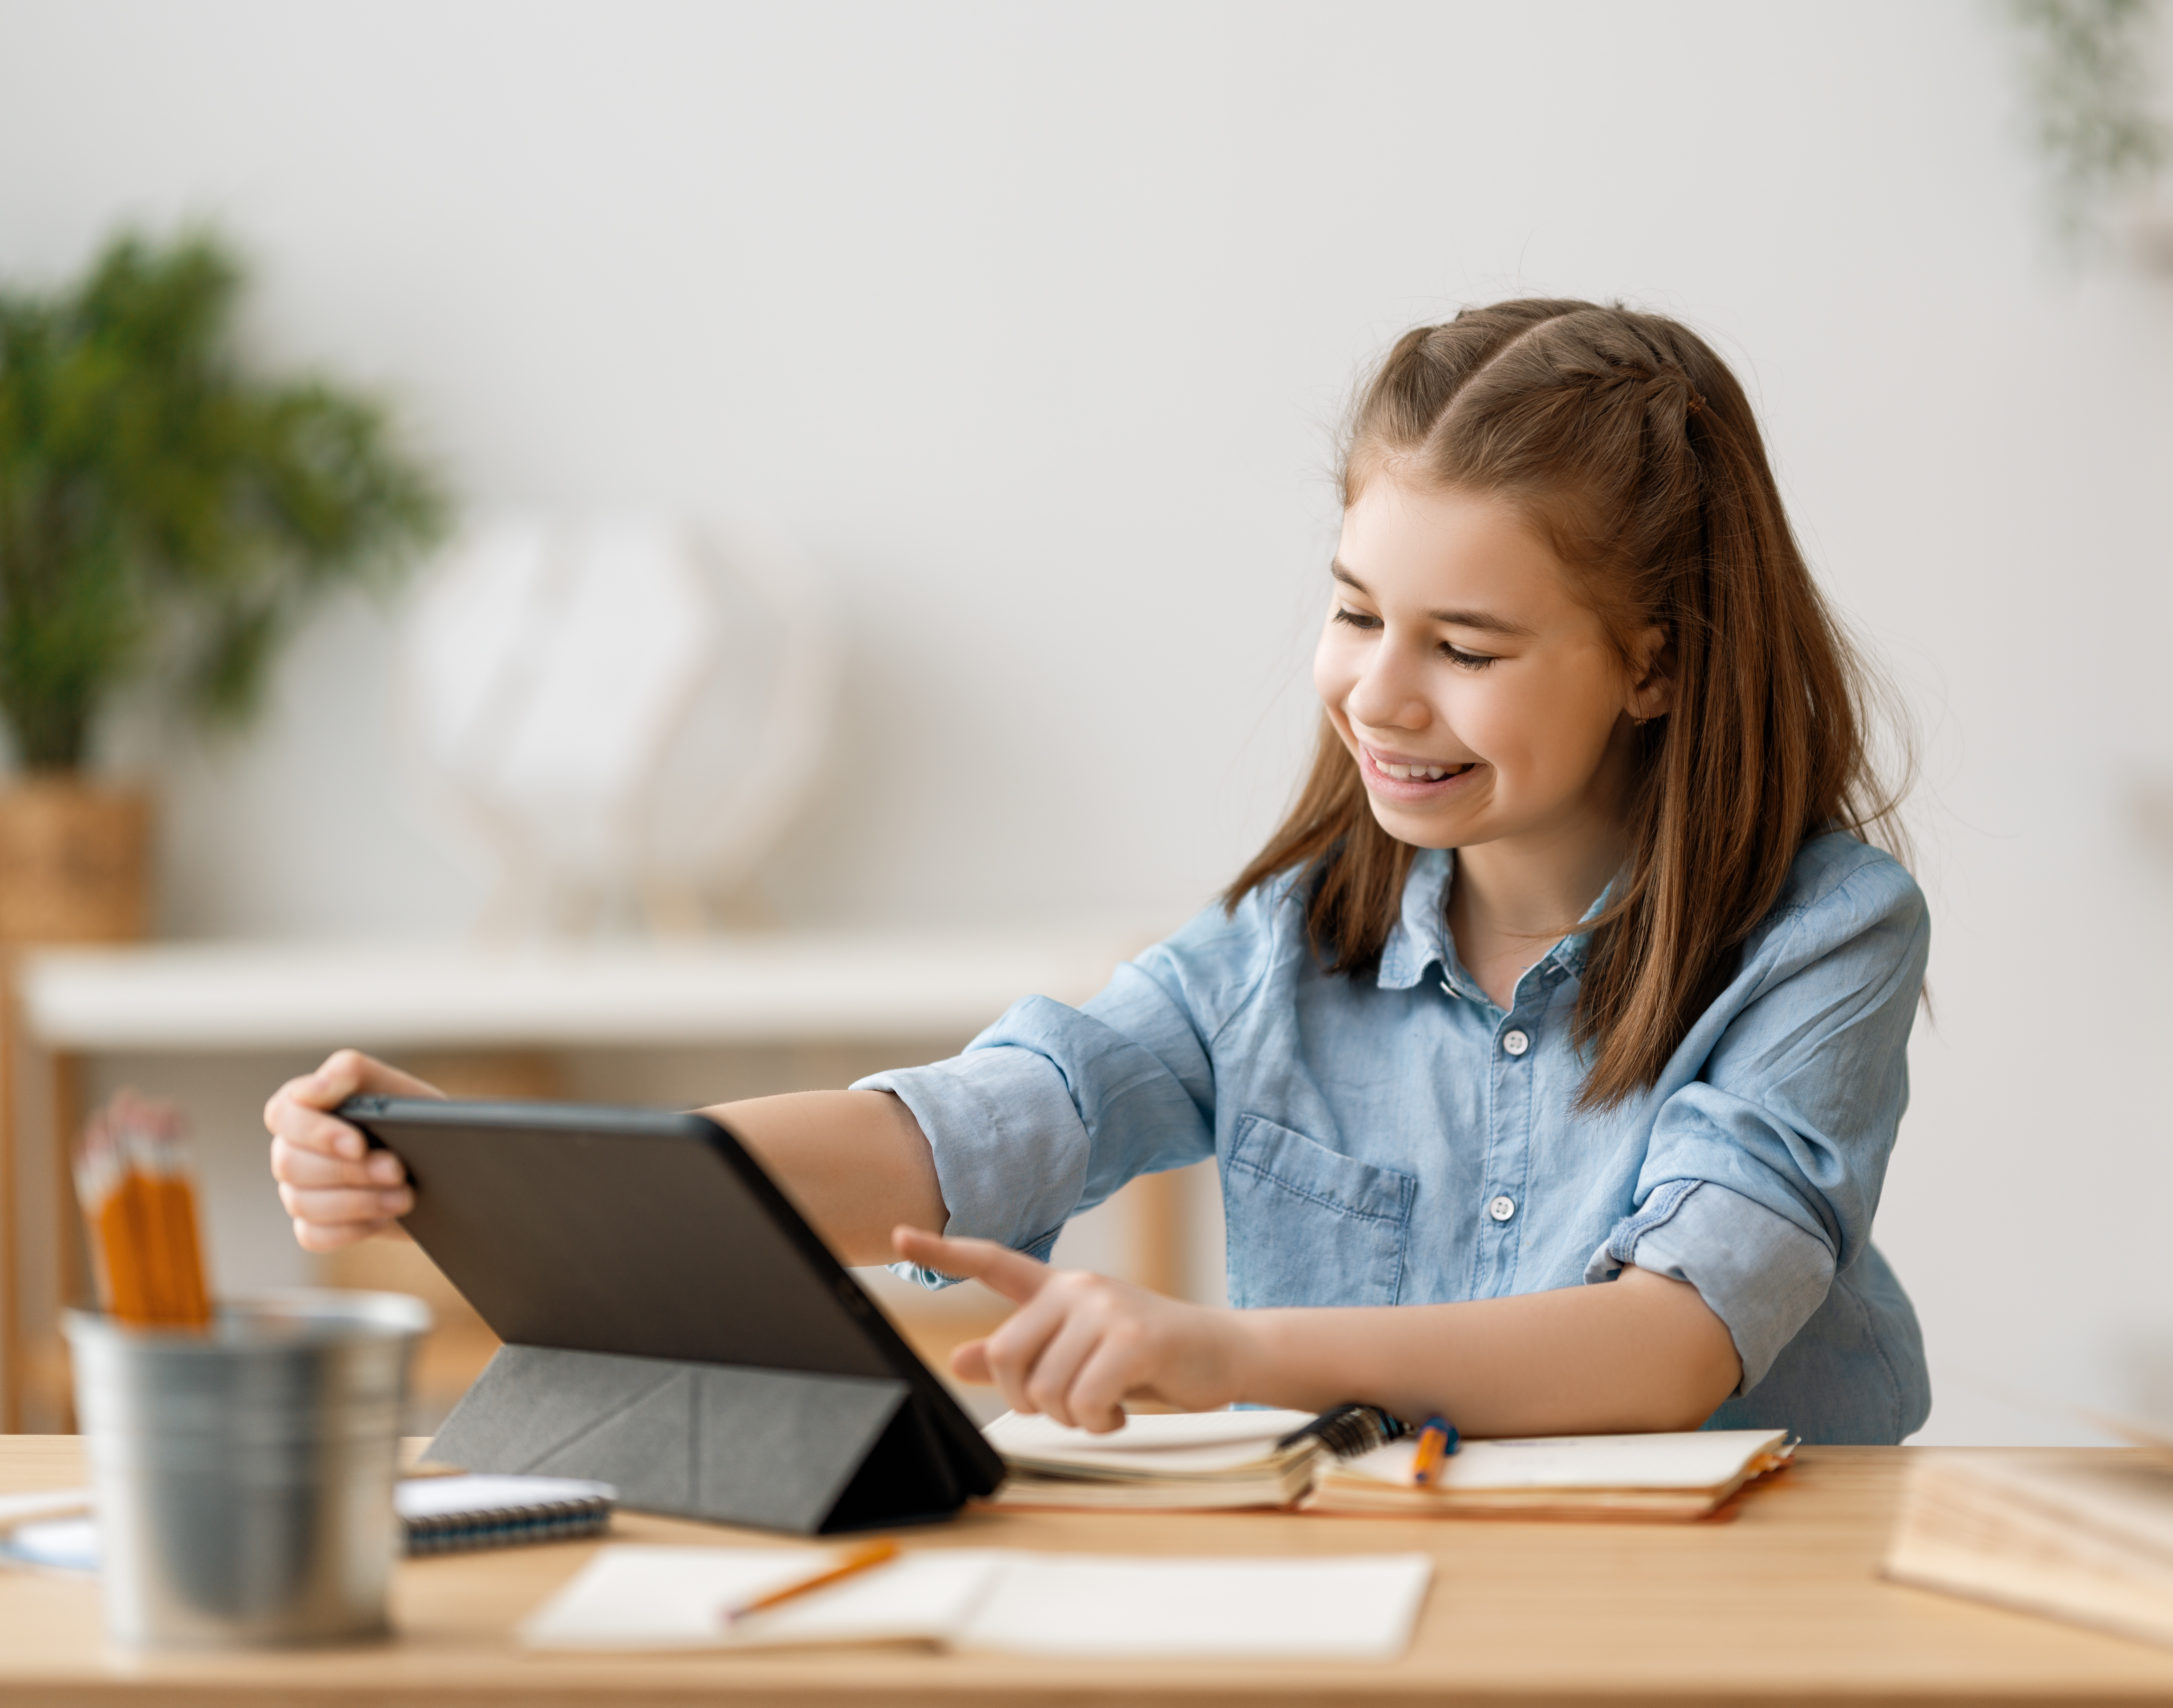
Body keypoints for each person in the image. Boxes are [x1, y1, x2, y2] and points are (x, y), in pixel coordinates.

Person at [266, 298, 1929, 1445]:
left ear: (1655, 660)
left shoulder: (1821, 937)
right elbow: (981, 1125)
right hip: (1397, 1571)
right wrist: (499, 1164)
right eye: (1355, 614)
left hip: (1739, 1594)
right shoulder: (1285, 949)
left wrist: (1226, 1354)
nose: (1376, 693)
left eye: (1466, 645)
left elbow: (1667, 1343)